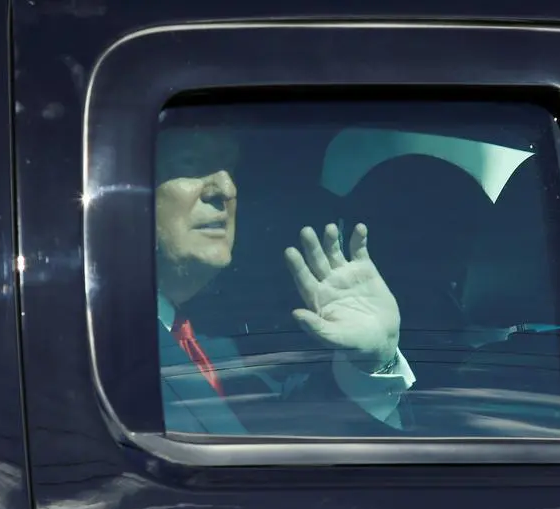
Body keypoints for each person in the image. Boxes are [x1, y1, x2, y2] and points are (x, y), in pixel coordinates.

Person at [155, 125, 416, 436]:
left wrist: (373, 363)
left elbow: (300, 431)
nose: (225, 188)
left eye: (232, 169)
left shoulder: (220, 344)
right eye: (191, 163)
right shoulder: (96, 345)